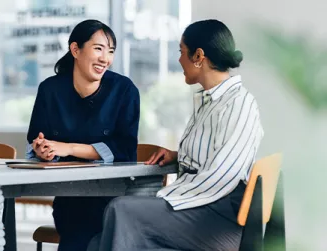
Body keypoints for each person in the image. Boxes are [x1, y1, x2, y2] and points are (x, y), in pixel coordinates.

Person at [87, 19, 264, 251]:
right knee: (96, 243)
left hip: (216, 220)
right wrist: (178, 155)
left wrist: (165, 196)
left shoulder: (239, 103)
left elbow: (223, 175)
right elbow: (217, 154)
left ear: (199, 56)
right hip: (202, 207)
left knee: (120, 209)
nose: (179, 59)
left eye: (182, 52)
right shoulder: (210, 101)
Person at [25, 19, 140, 251]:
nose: (105, 59)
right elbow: (37, 141)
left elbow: (125, 150)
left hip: (113, 197)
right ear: (75, 50)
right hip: (70, 198)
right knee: (78, 224)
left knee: (86, 234)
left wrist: (67, 148)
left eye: (110, 52)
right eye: (98, 48)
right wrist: (44, 151)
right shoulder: (50, 90)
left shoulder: (124, 91)